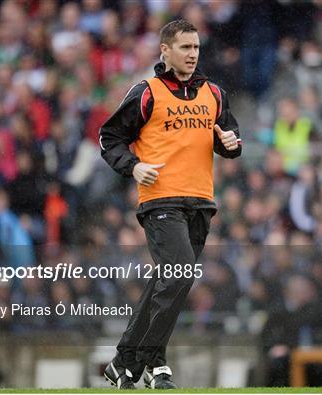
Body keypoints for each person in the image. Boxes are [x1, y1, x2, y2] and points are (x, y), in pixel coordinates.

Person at [99, 19, 242, 389]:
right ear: (165, 50)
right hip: (160, 200)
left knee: (171, 282)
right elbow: (109, 137)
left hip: (200, 202)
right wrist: (133, 167)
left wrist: (232, 143)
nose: (193, 54)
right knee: (178, 273)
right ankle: (152, 361)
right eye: (185, 48)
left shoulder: (214, 93)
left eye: (196, 48)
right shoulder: (146, 92)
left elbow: (231, 139)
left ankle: (125, 361)